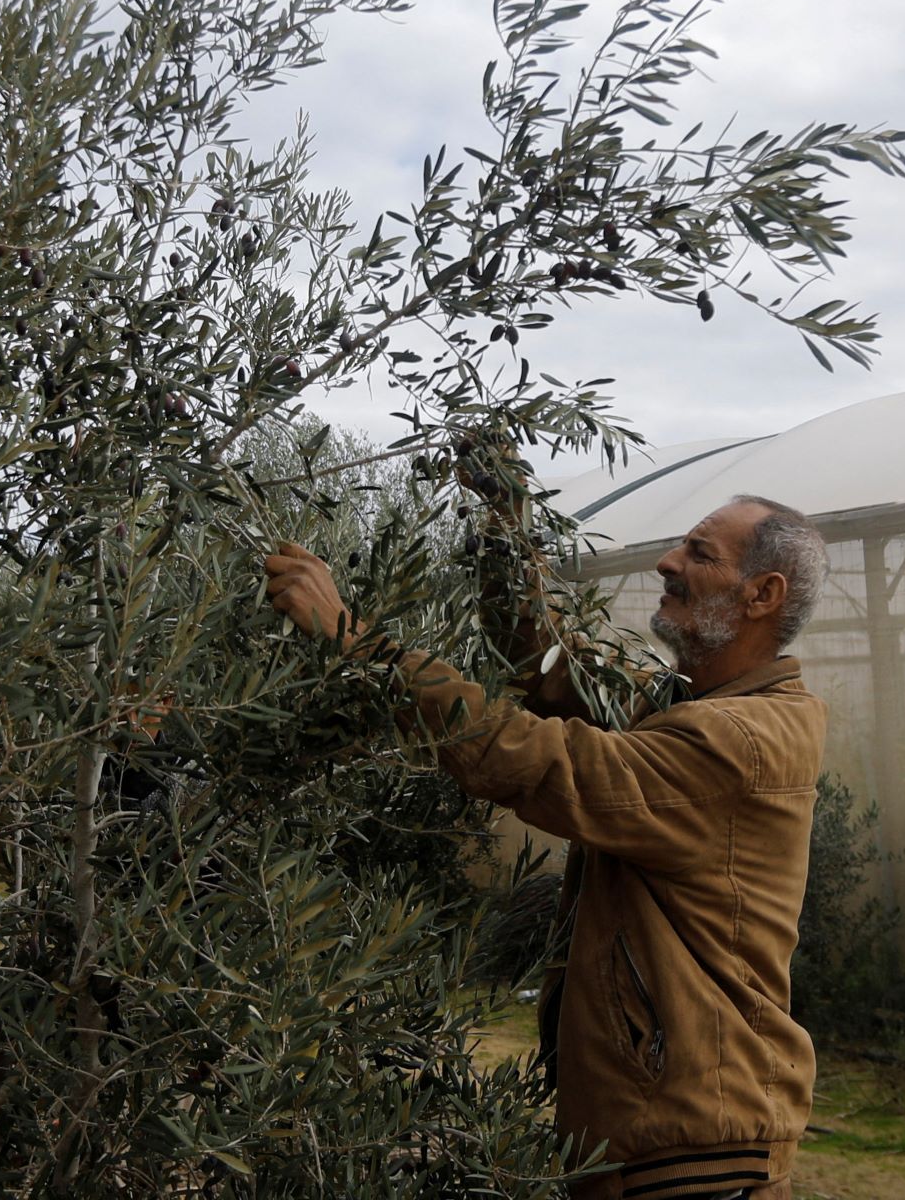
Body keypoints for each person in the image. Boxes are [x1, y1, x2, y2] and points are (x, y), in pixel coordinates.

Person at [264, 489, 828, 1200]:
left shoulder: (736, 740)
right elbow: (554, 673)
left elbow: (538, 759)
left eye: (698, 553)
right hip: (663, 1134)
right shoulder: (687, 709)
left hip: (692, 1148)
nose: (666, 561)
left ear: (762, 594)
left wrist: (356, 640)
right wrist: (504, 534)